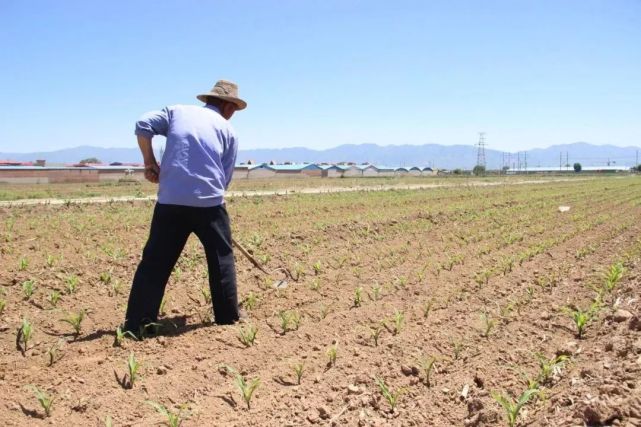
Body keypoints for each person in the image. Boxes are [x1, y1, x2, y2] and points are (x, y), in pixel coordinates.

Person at [124, 80, 247, 334]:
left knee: (155, 262)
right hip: (209, 204)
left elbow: (143, 125)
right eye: (233, 107)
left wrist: (150, 163)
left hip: (170, 200)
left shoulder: (176, 112)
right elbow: (225, 177)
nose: (232, 113)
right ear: (227, 105)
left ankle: (137, 323)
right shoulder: (228, 129)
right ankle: (227, 317)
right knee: (221, 258)